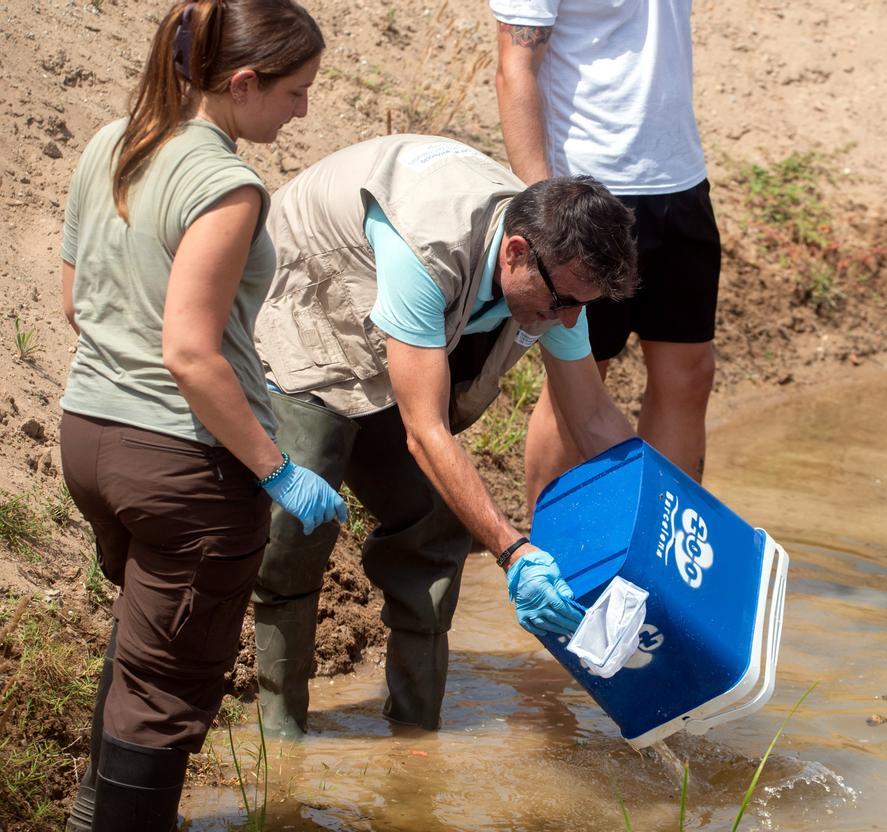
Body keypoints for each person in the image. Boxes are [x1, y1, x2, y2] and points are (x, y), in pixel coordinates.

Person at [250, 134, 639, 737]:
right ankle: (282, 733)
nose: (568, 320)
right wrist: (514, 552)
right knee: (299, 523)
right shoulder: (427, 248)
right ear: (514, 251)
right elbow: (424, 431)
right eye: (563, 302)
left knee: (437, 519)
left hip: (405, 331)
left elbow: (592, 417)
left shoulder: (556, 269)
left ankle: (415, 732)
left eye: (579, 307)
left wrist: (673, 519)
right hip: (308, 311)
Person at [58, 3, 338, 832]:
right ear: (241, 83)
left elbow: (77, 305)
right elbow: (189, 350)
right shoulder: (226, 184)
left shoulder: (113, 141)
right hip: (184, 466)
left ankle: (87, 815)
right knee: (166, 694)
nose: (303, 110)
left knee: (146, 648)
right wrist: (274, 466)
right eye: (294, 91)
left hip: (89, 438)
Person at [492, 0, 721, 510]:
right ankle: (549, 558)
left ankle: (663, 560)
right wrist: (544, 215)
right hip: (587, 188)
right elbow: (514, 66)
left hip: (680, 177)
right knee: (578, 382)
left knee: (689, 373)